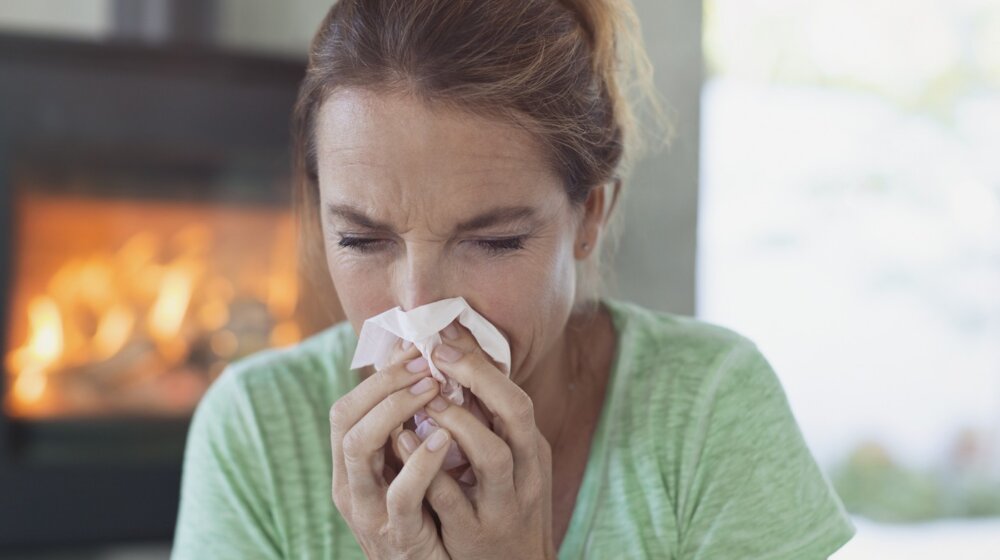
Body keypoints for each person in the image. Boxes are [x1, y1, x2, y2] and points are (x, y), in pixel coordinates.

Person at [172, 0, 856, 558]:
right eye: (361, 239)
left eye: (493, 242)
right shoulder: (256, 433)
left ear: (589, 216)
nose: (419, 309)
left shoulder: (708, 410)